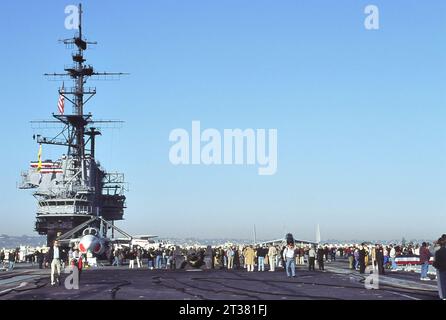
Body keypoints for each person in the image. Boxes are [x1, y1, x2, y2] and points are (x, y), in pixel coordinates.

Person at [433, 236, 446, 300]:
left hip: (441, 269)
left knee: (442, 284)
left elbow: (435, 262)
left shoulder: (437, 251)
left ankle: (443, 296)